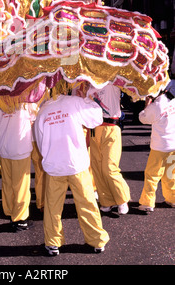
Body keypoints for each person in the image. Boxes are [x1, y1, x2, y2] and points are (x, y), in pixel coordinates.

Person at [34, 92, 109, 256]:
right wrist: (88, 99)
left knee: (53, 207)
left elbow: (40, 143)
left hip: (55, 166)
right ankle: (96, 240)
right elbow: (97, 118)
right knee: (87, 203)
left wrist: (50, 157)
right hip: (76, 164)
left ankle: (53, 242)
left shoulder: (43, 110)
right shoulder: (75, 102)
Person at [87, 82, 131, 215]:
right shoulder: (88, 87)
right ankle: (106, 201)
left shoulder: (112, 82)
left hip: (111, 127)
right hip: (94, 129)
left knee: (109, 167)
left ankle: (122, 198)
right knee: (97, 167)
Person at [0, 103, 36, 232]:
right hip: (20, 147)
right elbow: (34, 117)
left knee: (7, 182)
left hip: (4, 146)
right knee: (21, 185)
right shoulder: (27, 101)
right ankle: (20, 218)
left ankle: (10, 210)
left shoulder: (2, 99)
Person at [138, 89, 175, 212]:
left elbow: (143, 118)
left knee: (152, 175)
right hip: (173, 144)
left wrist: (146, 105)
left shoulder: (156, 106)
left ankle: (147, 202)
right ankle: (172, 198)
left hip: (160, 146)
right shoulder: (172, 100)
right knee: (170, 174)